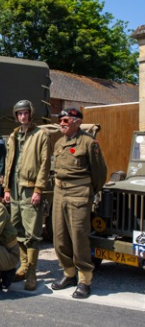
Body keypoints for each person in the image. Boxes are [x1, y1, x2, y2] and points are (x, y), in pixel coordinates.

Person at [51, 108, 107, 299]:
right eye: (60, 120)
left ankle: (84, 279)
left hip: (79, 194)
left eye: (66, 120)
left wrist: (87, 192)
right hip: (59, 193)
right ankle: (69, 273)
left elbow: (99, 174)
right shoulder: (59, 143)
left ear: (77, 121)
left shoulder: (89, 143)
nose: (62, 123)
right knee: (59, 237)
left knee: (79, 237)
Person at [3, 100, 51, 290]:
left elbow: (45, 164)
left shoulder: (41, 135)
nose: (23, 117)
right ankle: (23, 266)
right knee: (17, 230)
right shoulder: (14, 135)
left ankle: (32, 273)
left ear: (31, 114)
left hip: (30, 189)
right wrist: (6, 188)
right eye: (19, 114)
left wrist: (39, 189)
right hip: (14, 189)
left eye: (25, 113)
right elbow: (9, 163)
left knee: (32, 233)